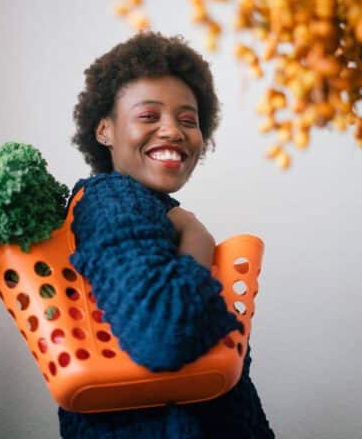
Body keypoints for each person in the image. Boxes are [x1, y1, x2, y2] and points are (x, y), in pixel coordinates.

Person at [58, 31, 275, 438]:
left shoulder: (146, 208)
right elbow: (162, 332)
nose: (173, 131)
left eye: (188, 120)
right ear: (104, 130)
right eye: (148, 115)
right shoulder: (111, 198)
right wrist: (197, 234)